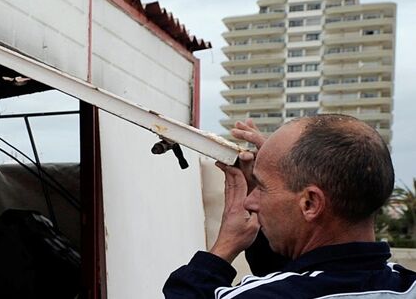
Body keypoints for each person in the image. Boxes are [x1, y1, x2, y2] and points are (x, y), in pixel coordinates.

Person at [163, 114, 416, 298]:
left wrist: (224, 247)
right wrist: (274, 169)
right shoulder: (406, 286)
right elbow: (297, 277)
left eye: (261, 188)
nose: (250, 202)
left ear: (310, 203)